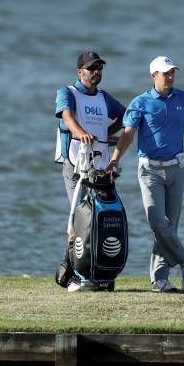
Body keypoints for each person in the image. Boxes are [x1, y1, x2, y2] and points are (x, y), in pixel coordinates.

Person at [107, 56, 184, 293]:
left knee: (169, 228)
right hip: (149, 170)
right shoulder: (140, 102)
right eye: (166, 73)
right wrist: (114, 160)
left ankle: (160, 280)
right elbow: (128, 134)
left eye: (173, 72)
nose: (171, 76)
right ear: (154, 76)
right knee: (156, 222)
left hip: (177, 168)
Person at [54, 52, 126, 291]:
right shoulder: (67, 92)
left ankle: (99, 274)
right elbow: (67, 116)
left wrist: (107, 135)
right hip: (76, 164)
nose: (96, 72)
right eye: (91, 68)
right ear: (80, 72)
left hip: (102, 168)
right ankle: (71, 275)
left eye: (99, 68)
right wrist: (80, 132)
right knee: (78, 219)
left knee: (99, 219)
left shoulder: (104, 98)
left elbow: (124, 115)